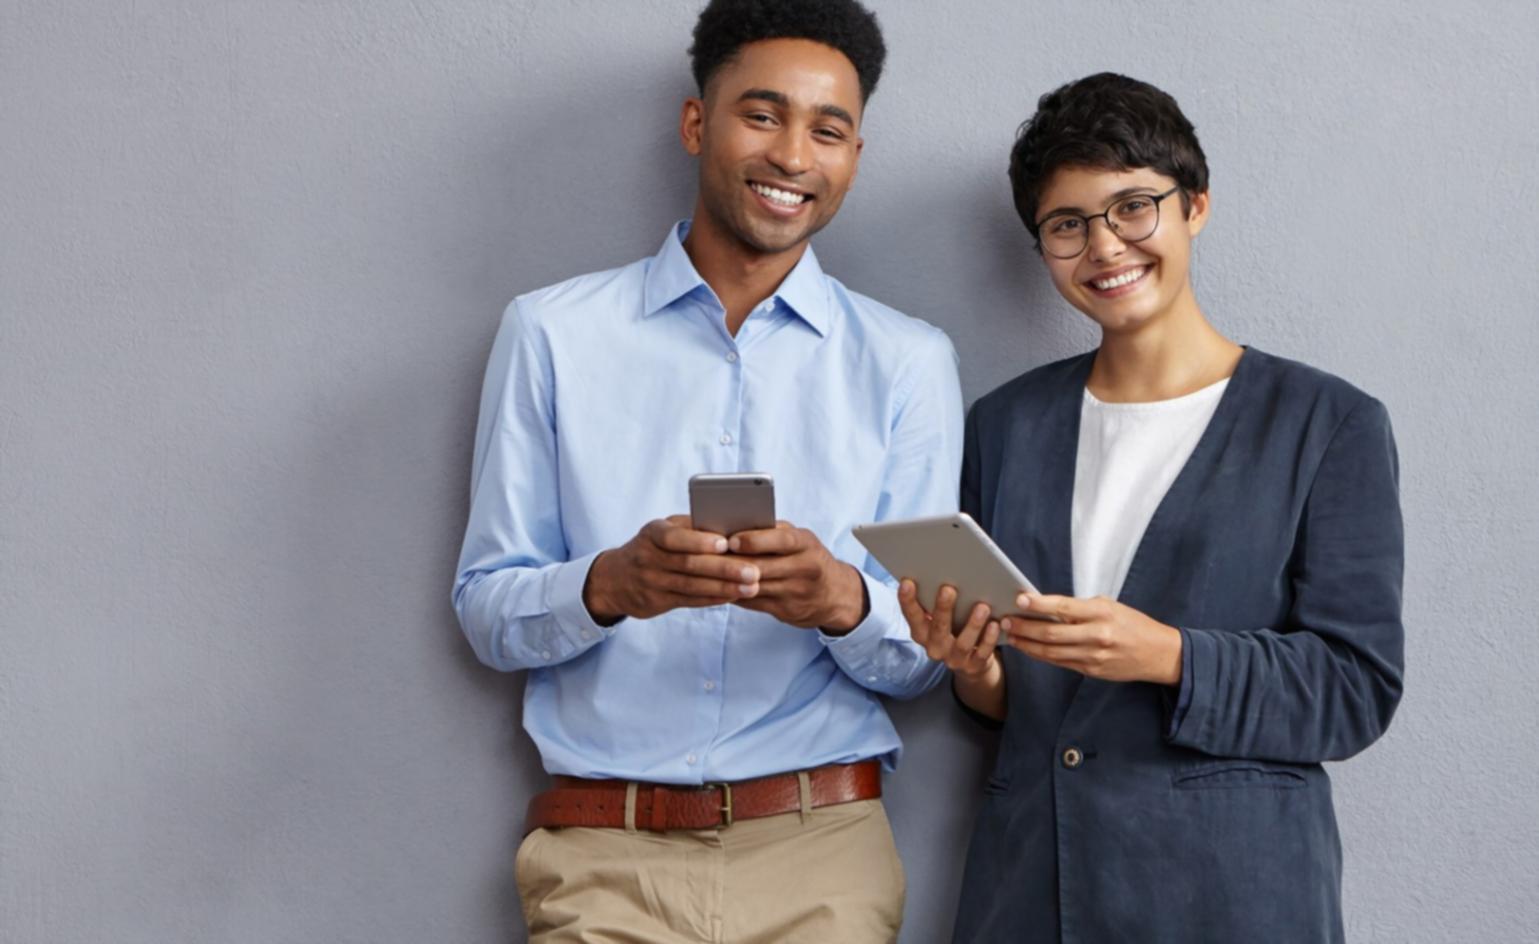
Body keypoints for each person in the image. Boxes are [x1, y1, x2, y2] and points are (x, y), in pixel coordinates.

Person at [452, 1, 963, 940]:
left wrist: (841, 600)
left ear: (854, 154)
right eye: (761, 115)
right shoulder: (552, 334)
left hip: (824, 855)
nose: (792, 156)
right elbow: (486, 610)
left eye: (828, 130)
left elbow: (926, 657)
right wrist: (610, 586)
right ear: (698, 124)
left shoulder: (907, 361)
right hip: (604, 851)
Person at [899, 73, 1404, 942]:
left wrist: (1169, 656)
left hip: (1229, 896)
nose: (1103, 247)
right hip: (1029, 891)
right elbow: (1008, 704)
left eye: (1133, 207)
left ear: (1194, 206)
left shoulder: (1328, 424)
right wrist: (971, 666)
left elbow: (1355, 689)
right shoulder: (1004, 426)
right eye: (1067, 226)